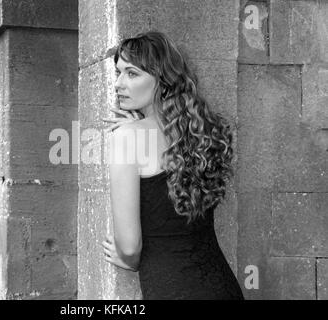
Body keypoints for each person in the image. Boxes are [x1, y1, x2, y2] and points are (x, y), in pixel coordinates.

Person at [100, 30, 245, 300]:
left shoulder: (126, 137)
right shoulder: (201, 132)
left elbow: (129, 248)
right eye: (118, 73)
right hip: (222, 287)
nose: (119, 83)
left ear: (162, 80)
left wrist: (131, 262)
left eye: (132, 74)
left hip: (172, 289)